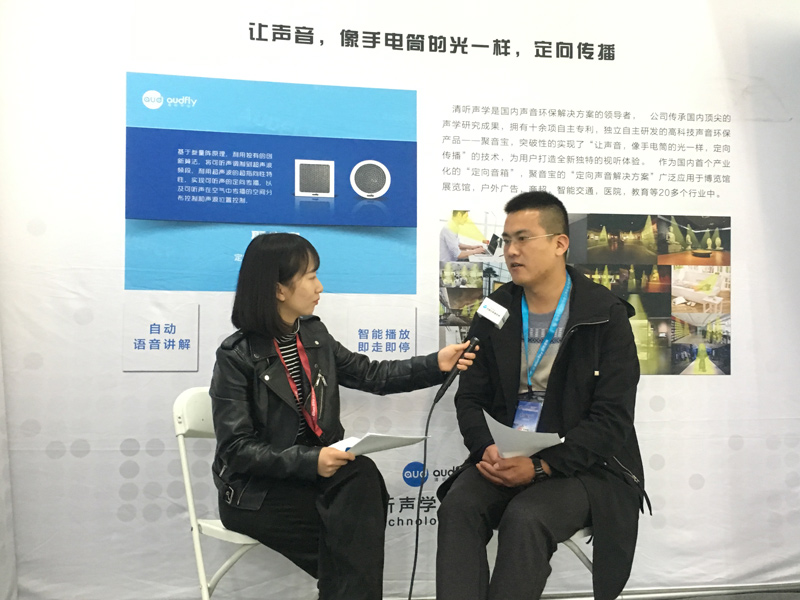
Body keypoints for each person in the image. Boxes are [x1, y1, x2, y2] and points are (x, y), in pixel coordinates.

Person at [209, 233, 475, 600]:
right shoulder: (236, 356)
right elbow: (237, 449)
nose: (320, 286)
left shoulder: (314, 334)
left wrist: (436, 364)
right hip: (259, 491)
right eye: (310, 276)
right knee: (352, 545)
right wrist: (311, 460)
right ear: (279, 289)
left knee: (360, 475)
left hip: (316, 479)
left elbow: (370, 374)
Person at [436, 192, 648, 600]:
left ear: (559, 243)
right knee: (459, 506)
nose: (511, 251)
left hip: (586, 466)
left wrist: (543, 466)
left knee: (527, 516)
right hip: (507, 455)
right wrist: (485, 449)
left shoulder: (604, 314)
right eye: (506, 240)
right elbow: (470, 397)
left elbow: (612, 419)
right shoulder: (495, 309)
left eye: (523, 238)